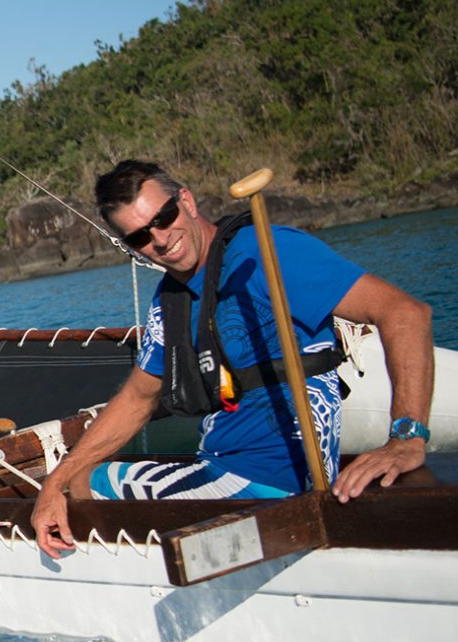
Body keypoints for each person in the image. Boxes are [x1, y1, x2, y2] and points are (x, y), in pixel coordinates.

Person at [34, 161, 434, 559]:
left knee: (84, 484)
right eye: (140, 236)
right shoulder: (171, 299)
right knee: (74, 478)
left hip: (266, 487)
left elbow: (405, 313)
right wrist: (54, 482)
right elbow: (138, 398)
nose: (160, 239)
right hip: (219, 467)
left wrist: (406, 438)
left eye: (164, 217)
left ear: (186, 201)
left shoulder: (267, 253)